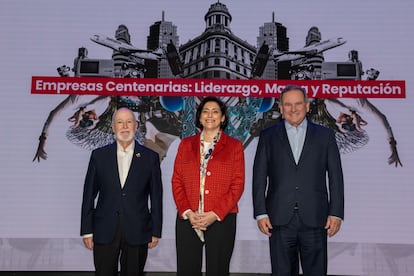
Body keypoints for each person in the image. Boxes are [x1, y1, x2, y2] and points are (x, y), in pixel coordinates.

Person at [252, 85, 344, 276]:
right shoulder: (268, 136)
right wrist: (260, 213)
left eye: (298, 104)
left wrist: (336, 213)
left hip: (316, 218)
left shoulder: (325, 135)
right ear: (280, 107)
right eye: (287, 104)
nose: (293, 109)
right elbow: (259, 176)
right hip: (278, 219)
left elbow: (336, 177)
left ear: (307, 106)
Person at [80, 107, 163, 276]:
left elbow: (156, 197)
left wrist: (155, 231)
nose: (124, 126)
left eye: (129, 122)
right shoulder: (99, 156)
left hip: (138, 230)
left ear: (136, 125)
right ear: (113, 127)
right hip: (104, 229)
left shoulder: (150, 157)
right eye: (119, 122)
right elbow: (88, 194)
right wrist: (87, 230)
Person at [172, 96, 245, 276]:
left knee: (218, 270)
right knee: (187, 270)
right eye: (205, 111)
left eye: (215, 111)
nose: (210, 115)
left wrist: (215, 214)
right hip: (189, 219)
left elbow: (237, 184)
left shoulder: (234, 146)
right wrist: (188, 212)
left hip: (221, 218)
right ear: (199, 117)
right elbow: (177, 181)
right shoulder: (185, 145)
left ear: (223, 118)